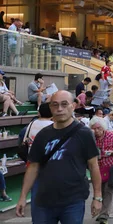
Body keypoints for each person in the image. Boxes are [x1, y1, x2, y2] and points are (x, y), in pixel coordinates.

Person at [16, 90, 102, 222]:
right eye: (55, 105)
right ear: (50, 108)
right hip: (43, 200)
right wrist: (22, 197)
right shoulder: (43, 135)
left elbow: (93, 166)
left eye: (64, 104)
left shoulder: (84, 134)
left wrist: (97, 197)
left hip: (73, 200)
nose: (59, 109)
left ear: (73, 106)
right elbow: (33, 167)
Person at [90, 116, 113, 223]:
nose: (96, 131)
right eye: (94, 128)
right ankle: (100, 210)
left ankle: (104, 215)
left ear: (103, 127)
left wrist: (112, 152)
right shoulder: (91, 138)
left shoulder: (111, 136)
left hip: (110, 167)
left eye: (98, 128)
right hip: (96, 168)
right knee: (99, 190)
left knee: (108, 191)